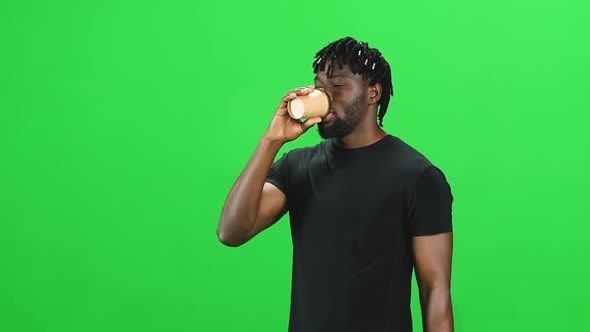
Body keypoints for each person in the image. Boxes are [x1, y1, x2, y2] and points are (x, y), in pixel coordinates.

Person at [217, 36, 454, 332]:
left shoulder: (418, 176)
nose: (324, 95)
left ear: (373, 93)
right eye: (319, 86)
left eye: (338, 86)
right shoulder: (297, 167)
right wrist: (271, 140)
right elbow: (231, 231)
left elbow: (435, 292)